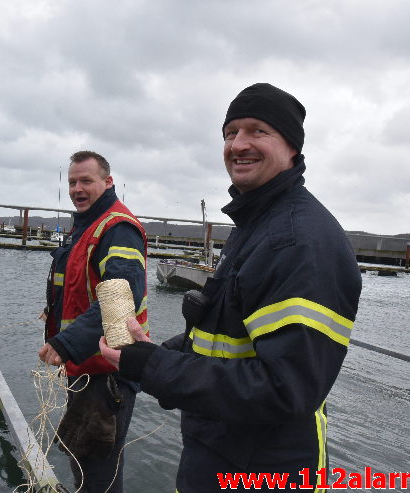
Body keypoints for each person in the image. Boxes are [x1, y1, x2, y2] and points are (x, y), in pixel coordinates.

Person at [100, 83, 362, 491]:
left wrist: (152, 368)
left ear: (291, 147)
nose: (238, 144)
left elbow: (284, 389)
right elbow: (224, 335)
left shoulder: (299, 243)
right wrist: (151, 353)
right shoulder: (256, 225)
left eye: (257, 131)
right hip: (221, 451)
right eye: (230, 132)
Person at [39, 150, 148, 493]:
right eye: (72, 182)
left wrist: (66, 342)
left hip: (108, 371)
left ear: (108, 182)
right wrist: (53, 315)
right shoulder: (87, 226)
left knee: (97, 471)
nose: (77, 188)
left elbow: (120, 297)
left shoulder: (117, 229)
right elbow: (78, 284)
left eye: (86, 180)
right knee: (83, 458)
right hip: (86, 367)